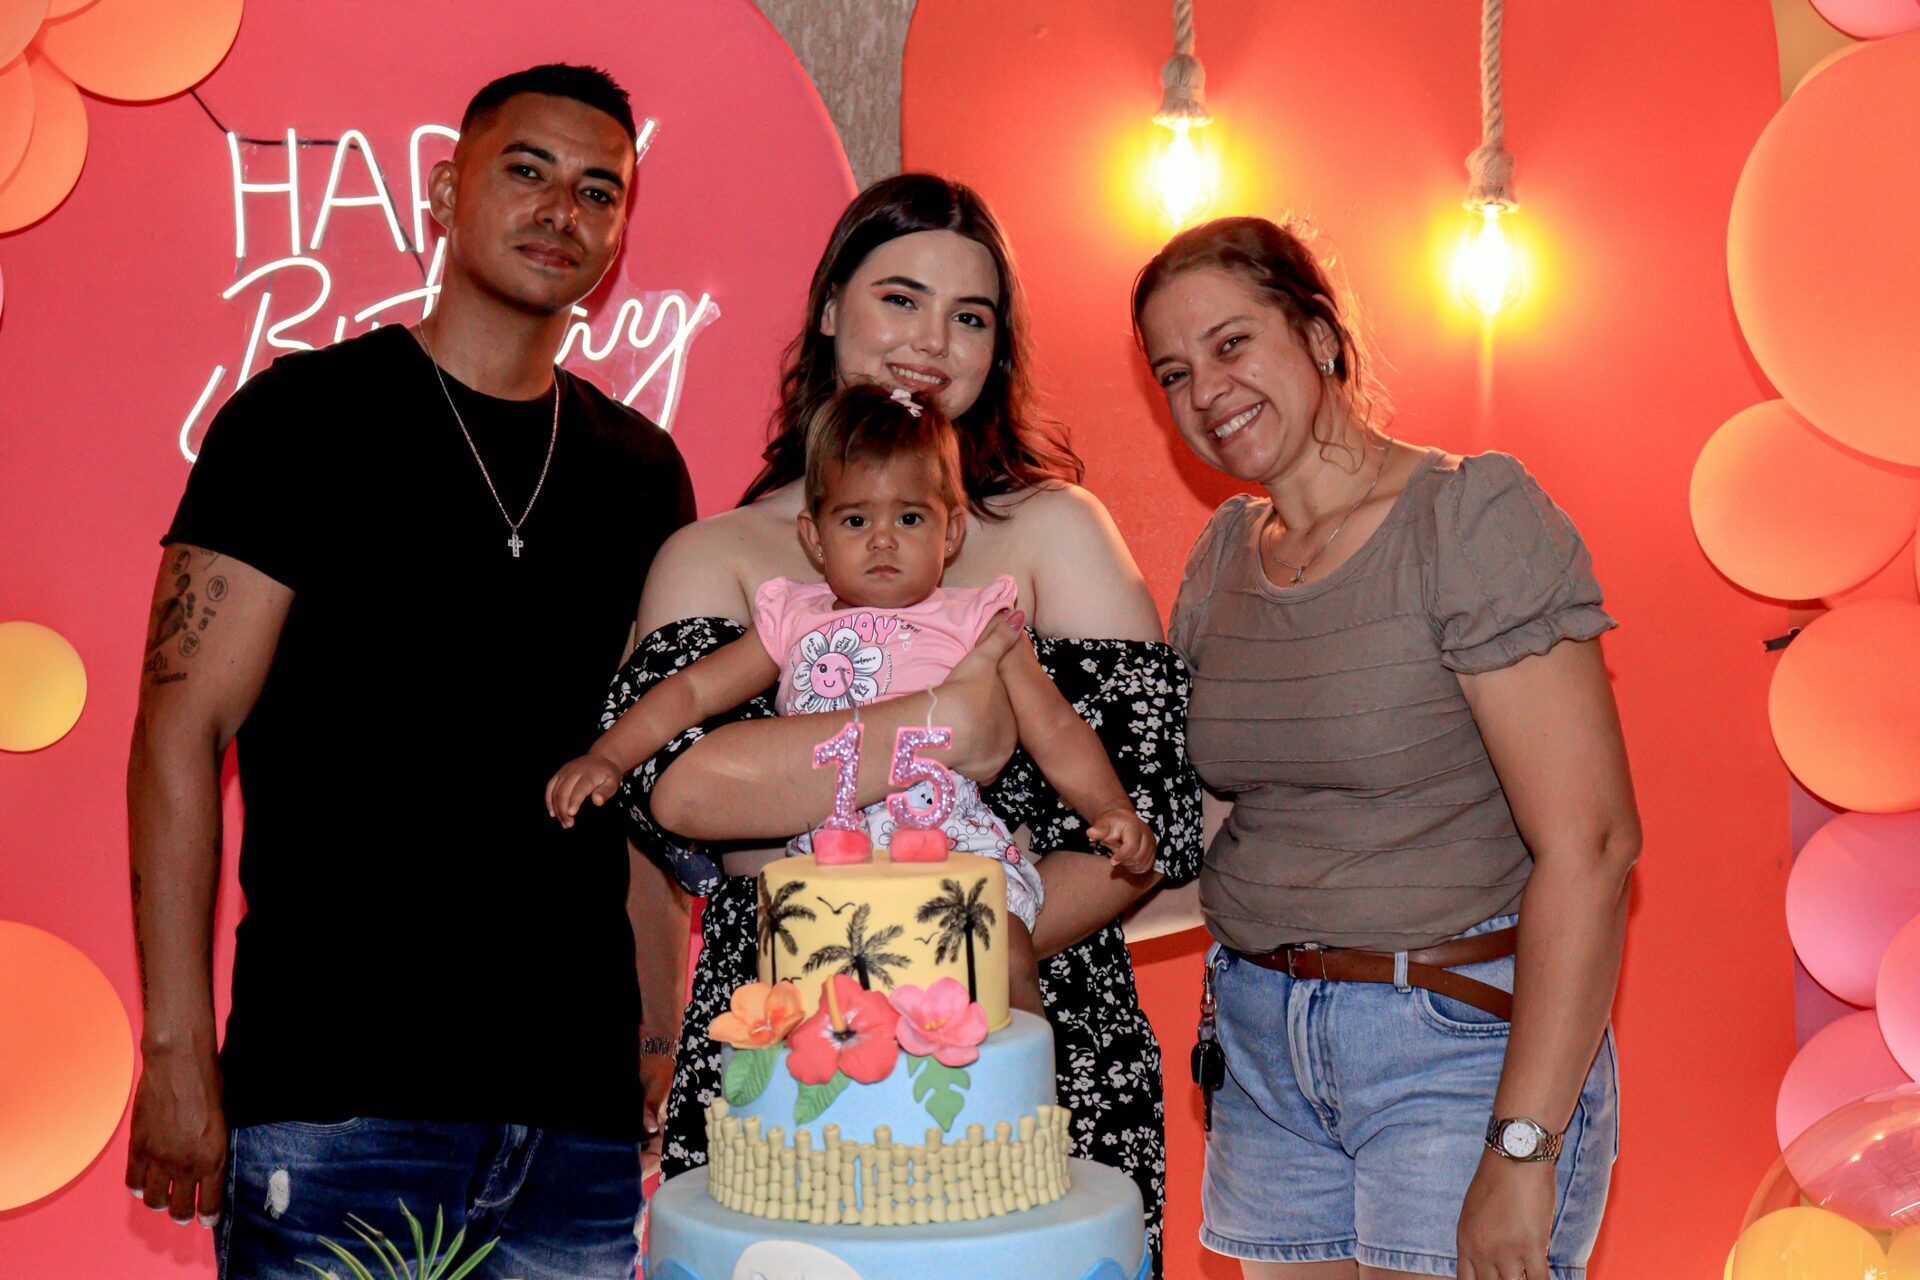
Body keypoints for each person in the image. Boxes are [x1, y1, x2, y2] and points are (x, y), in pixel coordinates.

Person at [123, 64, 695, 1280]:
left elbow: (643, 769)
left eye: (599, 190)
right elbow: (178, 731)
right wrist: (175, 1047)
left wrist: (658, 1034)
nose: (561, 209)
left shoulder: (644, 471)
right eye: (526, 170)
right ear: (444, 191)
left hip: (573, 1118)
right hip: (338, 1093)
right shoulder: (298, 420)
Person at [609, 173, 1202, 1274]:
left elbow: (1142, 825)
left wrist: (945, 964)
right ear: (831, 307)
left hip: (1038, 1062)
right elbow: (681, 791)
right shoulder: (721, 554)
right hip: (788, 1062)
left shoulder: (1056, 534)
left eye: (970, 316)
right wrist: (945, 721)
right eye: (900, 298)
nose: (933, 340)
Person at [1135, 215, 1638, 1280]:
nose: (1207, 391)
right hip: (1262, 1056)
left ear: (1320, 335)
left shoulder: (1468, 517)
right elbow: (1214, 841)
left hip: (1454, 1047)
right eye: (1174, 372)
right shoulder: (1222, 557)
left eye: (1232, 344)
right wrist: (1006, 919)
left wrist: (1523, 1147)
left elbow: (1592, 847)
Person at [551, 383, 1157, 1015]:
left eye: (910, 518)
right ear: (815, 538)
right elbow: (692, 691)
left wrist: (1110, 806)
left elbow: (1054, 727)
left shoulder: (979, 620)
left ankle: (1017, 1077)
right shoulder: (791, 620)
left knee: (1004, 951)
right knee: (822, 1009)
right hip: (828, 863)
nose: (883, 540)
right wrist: (610, 756)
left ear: (950, 531)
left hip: (952, 847)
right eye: (856, 520)